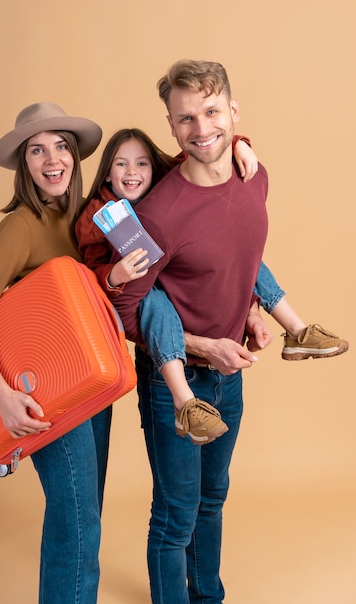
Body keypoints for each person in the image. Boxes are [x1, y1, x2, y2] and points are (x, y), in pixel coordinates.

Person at [111, 58, 272, 604]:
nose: (202, 129)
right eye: (185, 119)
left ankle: (208, 596)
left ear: (233, 110)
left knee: (212, 501)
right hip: (173, 385)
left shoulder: (257, 179)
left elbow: (235, 261)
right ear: (171, 127)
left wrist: (252, 308)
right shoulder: (155, 216)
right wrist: (204, 345)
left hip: (230, 381)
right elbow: (129, 311)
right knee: (176, 515)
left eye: (210, 111)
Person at [0, 102, 109, 604]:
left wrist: (237, 145)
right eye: (36, 150)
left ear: (75, 158)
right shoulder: (20, 225)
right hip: (46, 400)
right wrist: (3, 397)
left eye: (61, 146)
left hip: (93, 387)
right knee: (77, 524)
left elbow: (153, 168)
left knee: (80, 520)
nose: (51, 158)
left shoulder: (84, 222)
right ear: (25, 166)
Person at [76, 129, 257, 445]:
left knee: (238, 246)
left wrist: (239, 144)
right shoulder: (95, 216)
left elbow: (200, 152)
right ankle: (183, 401)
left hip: (180, 283)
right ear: (106, 173)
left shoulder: (165, 190)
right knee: (157, 304)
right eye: (121, 165)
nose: (132, 173)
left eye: (142, 164)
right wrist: (114, 274)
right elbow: (90, 276)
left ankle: (293, 325)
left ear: (154, 168)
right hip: (148, 299)